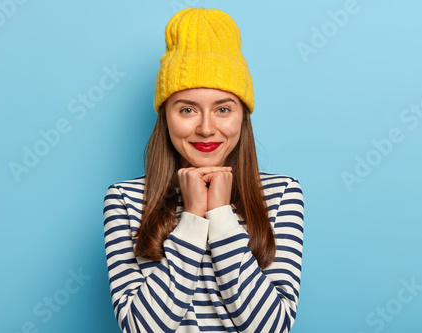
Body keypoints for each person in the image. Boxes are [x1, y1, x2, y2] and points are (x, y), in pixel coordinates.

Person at [103, 7, 304, 333]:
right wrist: (193, 217)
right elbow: (142, 328)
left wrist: (221, 213)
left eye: (223, 109)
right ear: (165, 117)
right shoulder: (126, 200)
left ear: (243, 116)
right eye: (187, 110)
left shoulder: (281, 194)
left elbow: (271, 328)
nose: (207, 129)